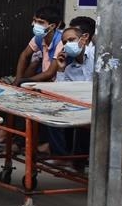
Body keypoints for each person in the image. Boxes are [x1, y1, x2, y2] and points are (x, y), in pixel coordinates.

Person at [0, 5, 64, 147]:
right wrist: (18, 79)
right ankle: (11, 135)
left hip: (56, 85)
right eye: (35, 21)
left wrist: (24, 81)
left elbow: (50, 73)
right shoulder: (39, 38)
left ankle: (14, 138)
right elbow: (24, 55)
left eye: (40, 22)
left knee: (24, 100)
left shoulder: (60, 41)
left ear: (52, 26)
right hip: (42, 82)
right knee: (11, 92)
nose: (35, 24)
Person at [38, 26, 93, 166]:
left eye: (71, 40)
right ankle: (61, 156)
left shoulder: (97, 56)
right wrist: (61, 69)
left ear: (83, 39)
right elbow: (60, 92)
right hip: (79, 106)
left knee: (85, 123)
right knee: (52, 112)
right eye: (65, 42)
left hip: (98, 106)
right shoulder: (69, 68)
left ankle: (80, 161)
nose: (68, 44)